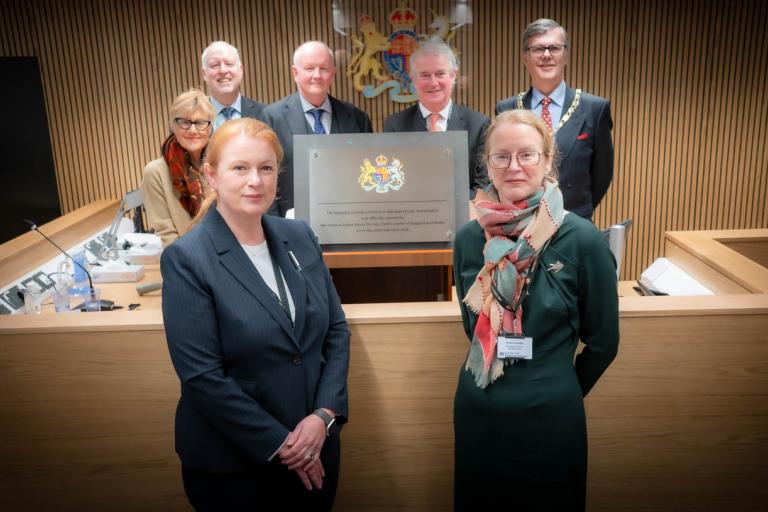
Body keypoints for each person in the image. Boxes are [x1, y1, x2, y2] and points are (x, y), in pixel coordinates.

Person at [161, 118, 350, 511]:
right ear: (211, 175)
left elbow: (335, 330)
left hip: (316, 449)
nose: (256, 181)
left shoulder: (299, 236)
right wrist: (282, 444)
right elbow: (202, 376)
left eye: (266, 168)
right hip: (236, 468)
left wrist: (323, 416)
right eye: (240, 168)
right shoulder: (188, 258)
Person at [452, 109, 619, 511]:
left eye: (526, 155)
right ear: (486, 165)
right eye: (501, 156)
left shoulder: (581, 239)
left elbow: (604, 342)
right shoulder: (467, 239)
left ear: (547, 160)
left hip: (551, 419)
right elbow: (469, 325)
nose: (513, 167)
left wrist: (558, 386)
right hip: (480, 413)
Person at [496, 19, 614, 219]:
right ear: (525, 57)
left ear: (565, 55)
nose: (546, 55)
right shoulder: (506, 108)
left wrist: (579, 208)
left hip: (572, 223)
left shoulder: (595, 108)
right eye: (538, 49)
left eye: (554, 48)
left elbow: (602, 174)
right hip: (521, 225)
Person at [263, 41, 373, 216]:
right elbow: (265, 176)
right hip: (290, 222)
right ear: (295, 73)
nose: (317, 75)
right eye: (309, 68)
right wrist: (274, 224)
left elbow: (368, 173)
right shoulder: (271, 117)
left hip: (349, 220)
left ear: (333, 73)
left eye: (324, 68)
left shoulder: (357, 118)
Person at [384, 38, 490, 197]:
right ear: (413, 79)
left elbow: (483, 185)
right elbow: (391, 183)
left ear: (454, 75)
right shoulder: (395, 126)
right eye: (425, 75)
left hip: (465, 216)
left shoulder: (479, 124)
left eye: (440, 74)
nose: (433, 83)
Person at [142, 88, 214, 246]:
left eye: (200, 122)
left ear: (209, 128)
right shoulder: (155, 172)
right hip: (186, 260)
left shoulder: (221, 164)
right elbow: (166, 235)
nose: (193, 130)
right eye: (185, 122)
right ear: (172, 126)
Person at [201, 41, 265, 129]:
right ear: (204, 74)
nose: (223, 70)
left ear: (241, 70)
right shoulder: (191, 118)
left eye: (229, 64)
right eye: (215, 65)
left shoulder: (264, 114)